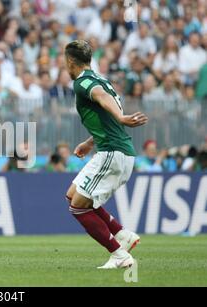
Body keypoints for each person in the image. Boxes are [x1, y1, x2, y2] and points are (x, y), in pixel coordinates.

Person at [64, 40, 148, 269]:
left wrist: (121, 118)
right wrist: (90, 141)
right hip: (111, 149)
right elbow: (107, 107)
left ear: (70, 61)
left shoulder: (83, 83)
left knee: (78, 207)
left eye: (65, 62)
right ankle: (121, 234)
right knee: (73, 196)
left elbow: (101, 97)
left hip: (113, 152)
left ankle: (120, 255)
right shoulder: (102, 79)